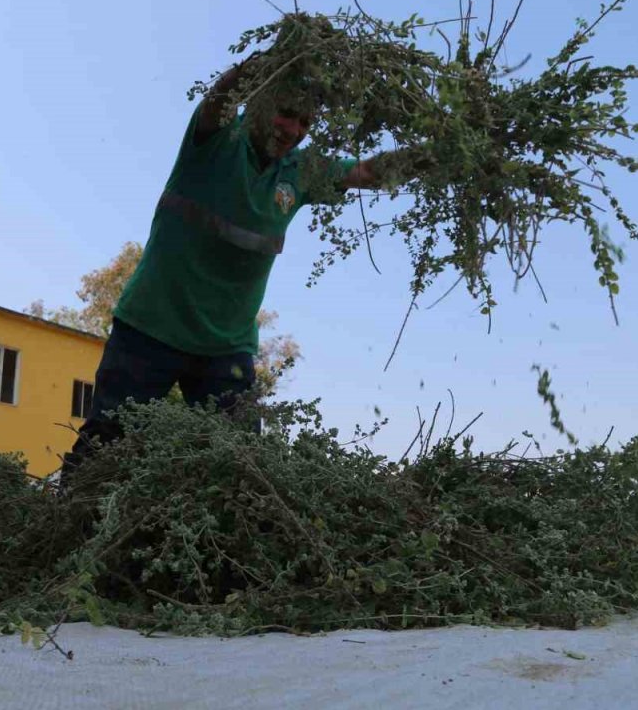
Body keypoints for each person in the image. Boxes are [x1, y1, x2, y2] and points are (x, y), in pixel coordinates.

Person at [59, 55, 403, 481]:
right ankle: (67, 524)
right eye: (286, 113)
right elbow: (220, 97)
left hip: (226, 349)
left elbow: (366, 172)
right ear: (258, 100)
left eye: (305, 122)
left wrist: (433, 157)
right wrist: (273, 57)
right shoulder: (216, 139)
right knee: (105, 448)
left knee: (238, 466)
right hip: (150, 330)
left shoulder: (300, 172)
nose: (293, 129)